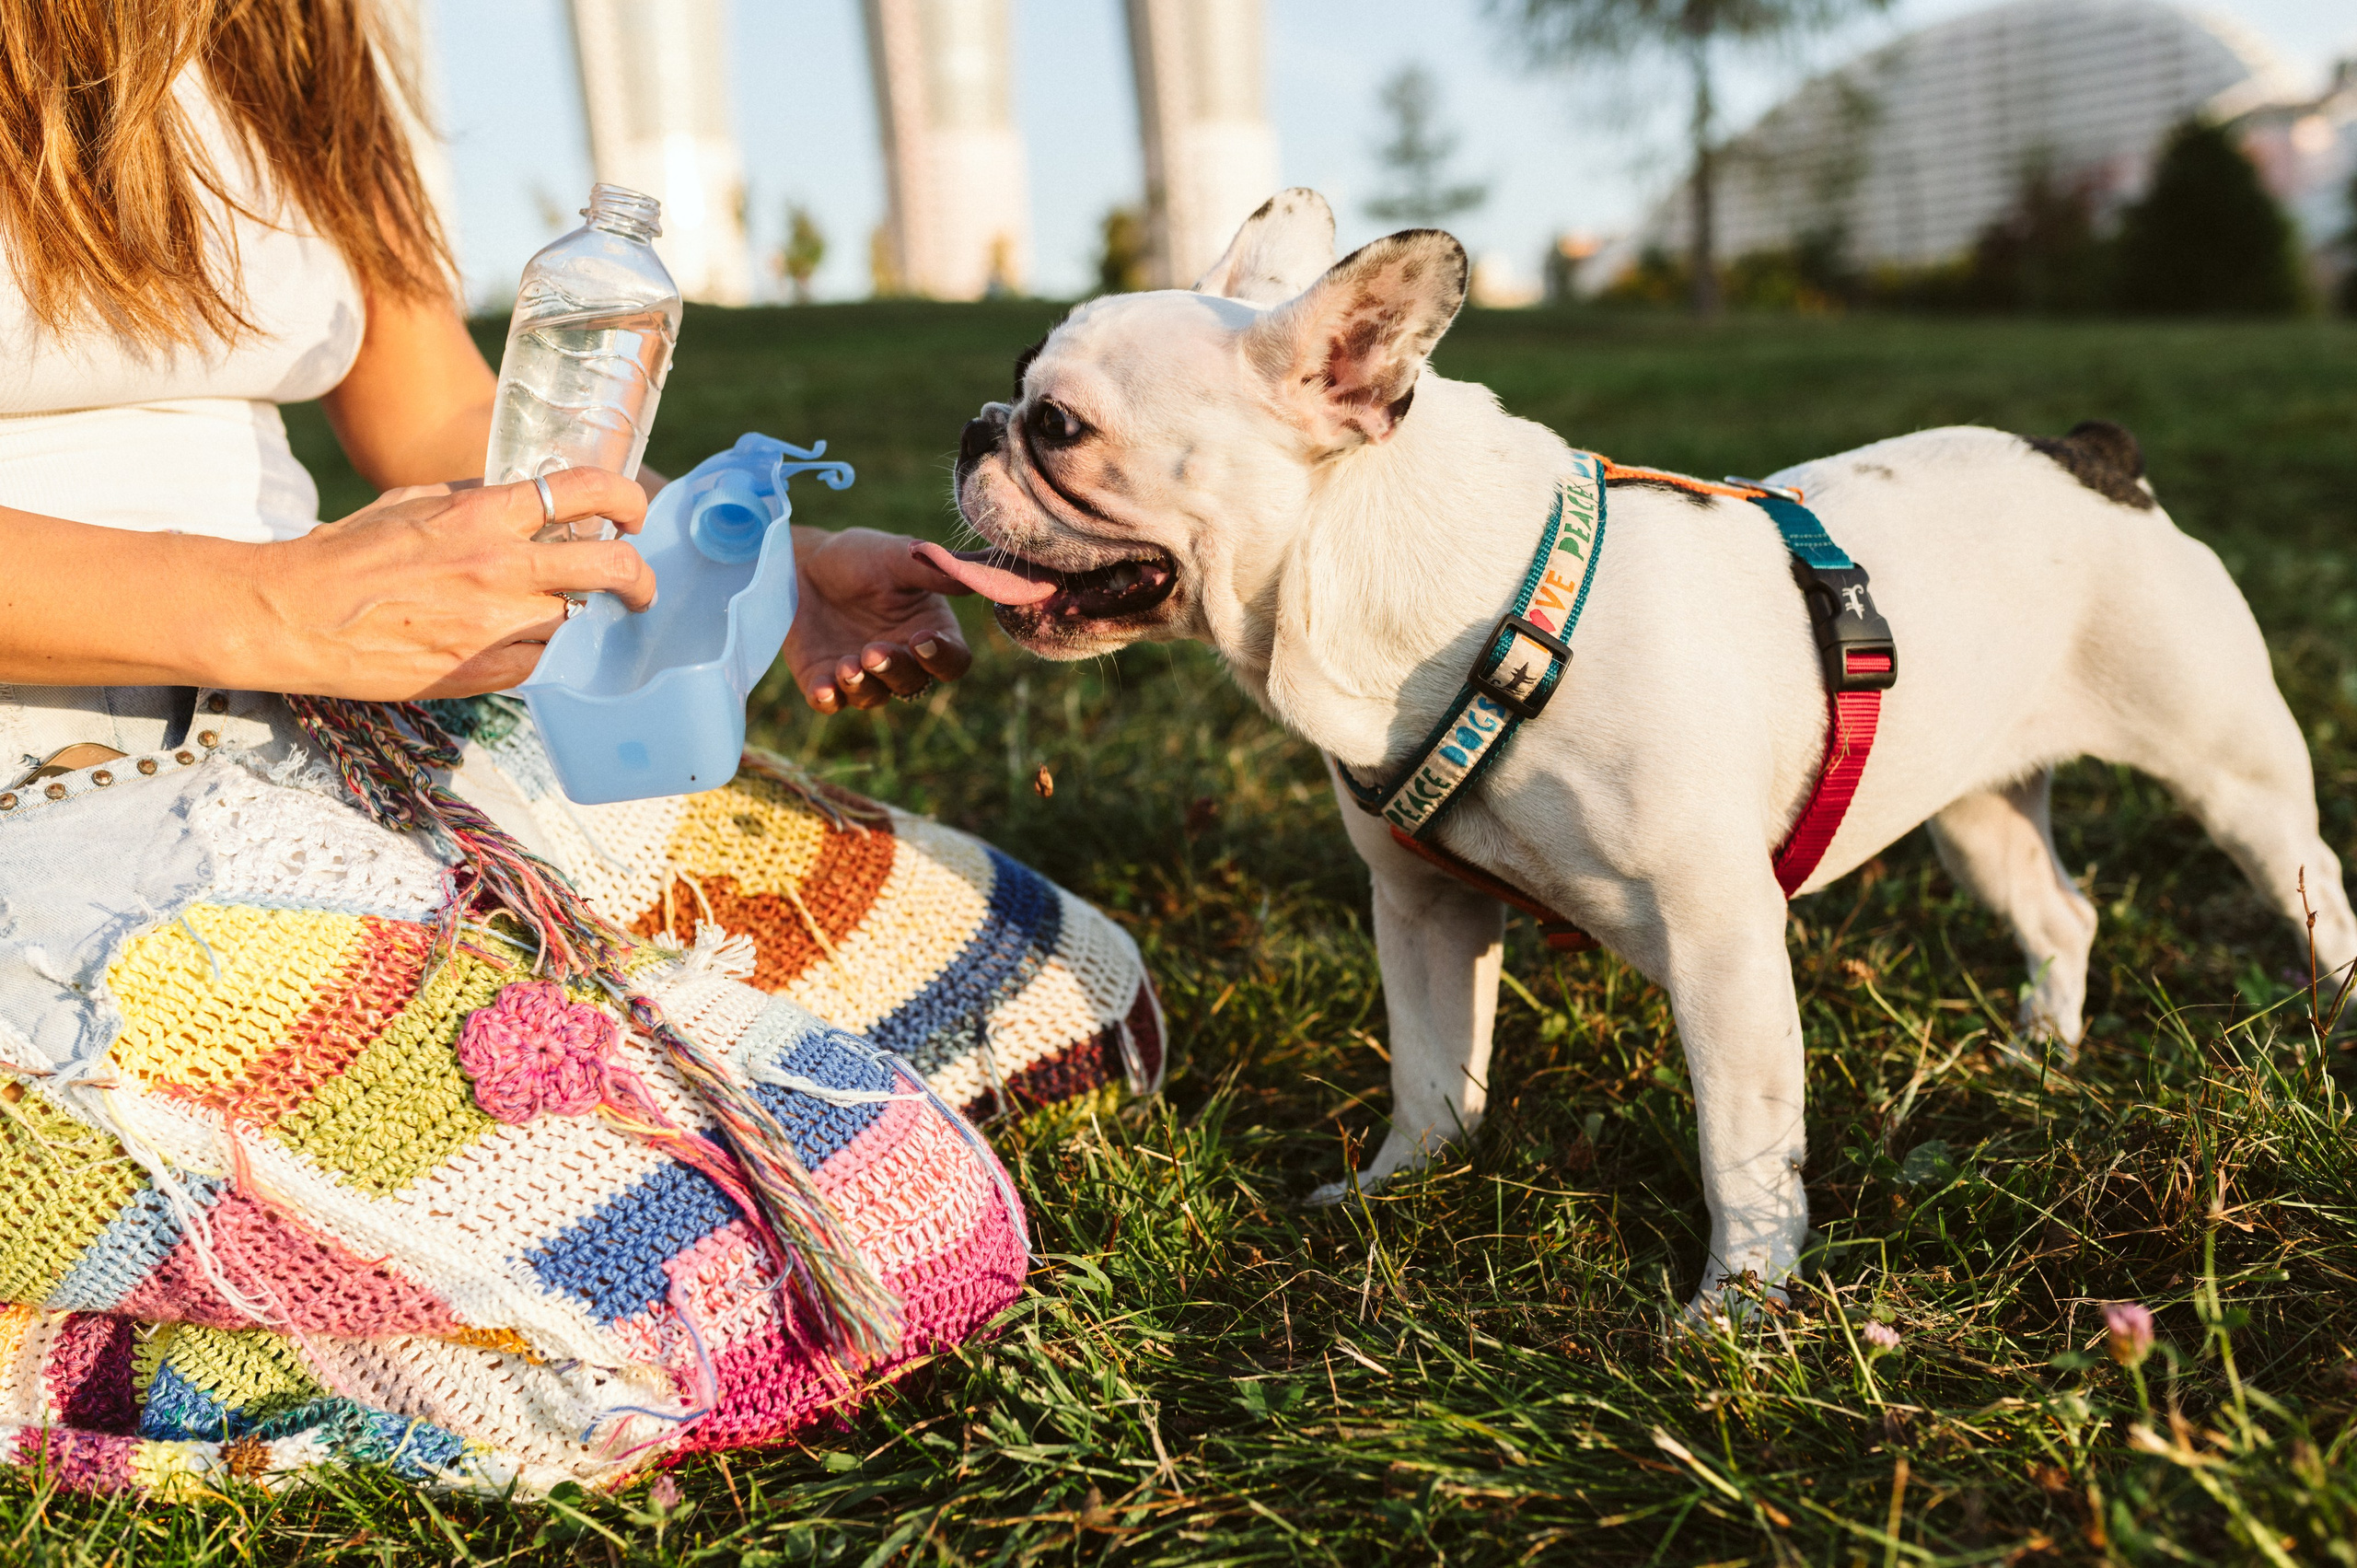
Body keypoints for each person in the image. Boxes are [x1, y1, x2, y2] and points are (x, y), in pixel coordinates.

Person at [0, 0, 1156, 1496]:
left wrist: (758, 565)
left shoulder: (319, 23)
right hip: (60, 759)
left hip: (308, 715)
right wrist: (268, 607)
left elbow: (439, 408)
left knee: (1061, 1002)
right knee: (729, 1294)